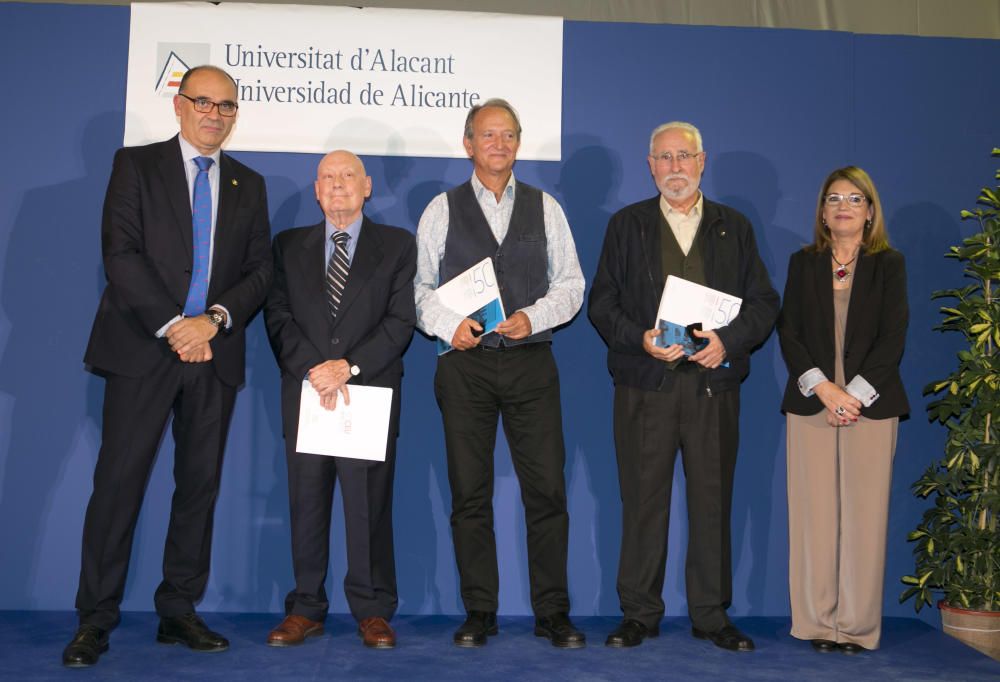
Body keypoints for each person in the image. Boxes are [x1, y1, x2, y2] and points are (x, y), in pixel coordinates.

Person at [63, 65, 272, 667]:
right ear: (179, 106)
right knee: (117, 487)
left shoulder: (248, 185)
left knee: (198, 489)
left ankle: (178, 610)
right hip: (143, 350)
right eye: (204, 102)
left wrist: (214, 321)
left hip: (215, 353)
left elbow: (260, 271)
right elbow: (120, 253)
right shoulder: (135, 165)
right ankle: (95, 619)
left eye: (227, 106)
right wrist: (175, 327)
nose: (215, 113)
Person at [588, 121, 778, 651]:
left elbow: (764, 303)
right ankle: (639, 613)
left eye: (684, 156)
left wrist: (729, 341)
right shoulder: (626, 226)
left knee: (712, 503)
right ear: (649, 166)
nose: (674, 167)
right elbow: (602, 303)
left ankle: (712, 615)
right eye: (664, 158)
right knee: (641, 502)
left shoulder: (733, 227)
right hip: (645, 386)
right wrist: (640, 338)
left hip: (712, 389)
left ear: (702, 161)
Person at [414, 99, 586, 648]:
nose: (498, 144)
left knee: (547, 493)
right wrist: (449, 324)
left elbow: (572, 285)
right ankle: (479, 612)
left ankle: (553, 613)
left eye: (508, 135)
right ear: (468, 144)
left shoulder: (547, 207)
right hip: (464, 367)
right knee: (470, 494)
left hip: (532, 364)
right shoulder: (441, 209)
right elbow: (418, 290)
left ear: (518, 143)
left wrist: (531, 317)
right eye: (487, 135)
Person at [263, 150, 416, 649]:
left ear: (367, 186)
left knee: (367, 507)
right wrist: (316, 369)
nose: (338, 185)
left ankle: (372, 609)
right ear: (315, 189)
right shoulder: (287, 246)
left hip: (365, 393)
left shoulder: (396, 246)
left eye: (348, 175)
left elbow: (399, 322)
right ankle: (306, 606)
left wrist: (346, 368)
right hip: (307, 393)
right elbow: (278, 316)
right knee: (305, 503)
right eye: (327, 177)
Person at [777, 166, 908, 655]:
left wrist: (852, 395)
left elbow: (893, 338)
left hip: (870, 407)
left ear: (870, 211)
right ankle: (816, 624)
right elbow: (788, 332)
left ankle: (854, 627)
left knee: (863, 518)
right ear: (823, 213)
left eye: (855, 199)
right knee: (812, 516)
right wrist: (823, 390)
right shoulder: (802, 263)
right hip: (811, 404)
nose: (844, 207)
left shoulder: (889, 264)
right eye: (834, 199)